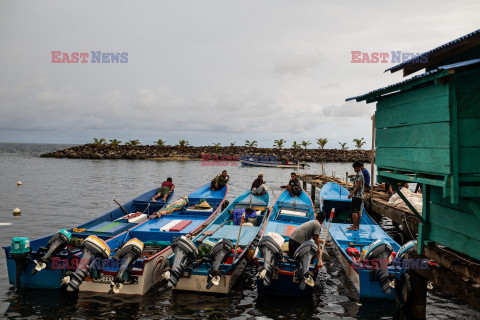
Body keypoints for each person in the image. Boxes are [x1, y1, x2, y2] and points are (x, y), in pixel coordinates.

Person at [348, 162, 364, 231]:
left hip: (357, 195)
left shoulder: (359, 175)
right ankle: (357, 225)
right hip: (360, 196)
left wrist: (352, 193)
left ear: (358, 167)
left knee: (354, 210)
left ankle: (354, 226)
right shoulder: (359, 174)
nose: (354, 169)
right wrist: (354, 176)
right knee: (358, 210)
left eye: (355, 168)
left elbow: (359, 186)